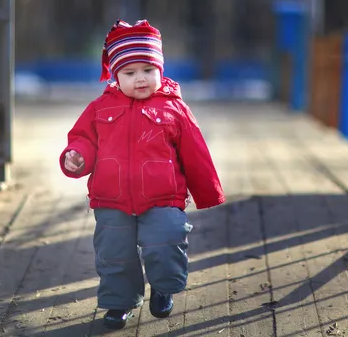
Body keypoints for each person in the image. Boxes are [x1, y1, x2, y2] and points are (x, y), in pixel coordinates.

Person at [60, 19, 225, 330]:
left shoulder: (173, 108)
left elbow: (196, 153)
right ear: (115, 75)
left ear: (160, 70)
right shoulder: (99, 108)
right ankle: (119, 302)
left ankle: (163, 286)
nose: (140, 79)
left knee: (166, 242)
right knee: (114, 254)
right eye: (130, 73)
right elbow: (82, 140)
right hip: (111, 198)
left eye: (148, 70)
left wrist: (207, 192)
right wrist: (77, 158)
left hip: (163, 197)